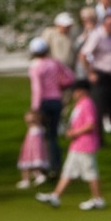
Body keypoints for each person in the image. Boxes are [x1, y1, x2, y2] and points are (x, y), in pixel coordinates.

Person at [41, 79, 105, 210]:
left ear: (82, 91)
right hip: (77, 145)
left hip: (86, 144)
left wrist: (74, 132)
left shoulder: (87, 104)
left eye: (75, 91)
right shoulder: (79, 105)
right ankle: (55, 195)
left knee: (90, 172)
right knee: (68, 171)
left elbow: (90, 124)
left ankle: (98, 199)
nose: (73, 93)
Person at [26, 35, 69, 174]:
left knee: (43, 136)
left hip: (43, 102)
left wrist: (35, 107)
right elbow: (70, 77)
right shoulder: (54, 62)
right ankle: (56, 164)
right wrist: (60, 86)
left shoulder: (35, 66)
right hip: (56, 100)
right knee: (53, 135)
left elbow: (37, 88)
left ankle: (46, 165)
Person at [83, 13, 111, 145]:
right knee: (99, 109)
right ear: (104, 24)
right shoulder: (97, 35)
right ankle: (98, 139)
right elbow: (85, 54)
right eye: (109, 24)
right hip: (101, 75)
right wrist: (90, 73)